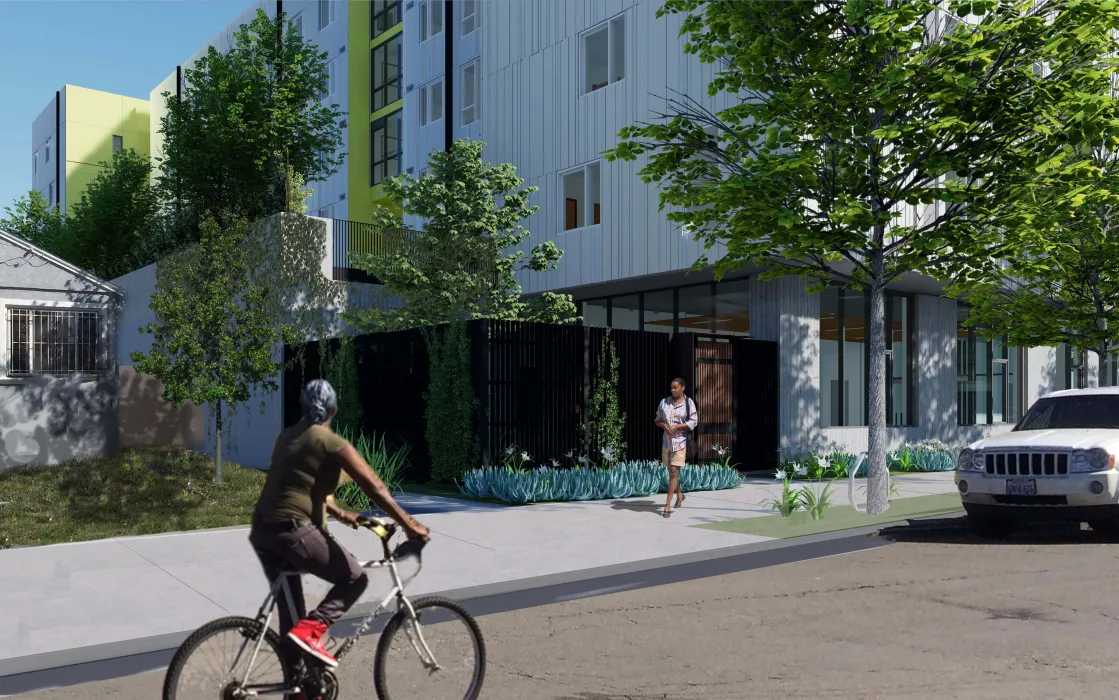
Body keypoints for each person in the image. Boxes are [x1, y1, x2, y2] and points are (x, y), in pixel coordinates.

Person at [249, 379, 429, 672]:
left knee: (292, 626)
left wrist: (341, 513)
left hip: (264, 532)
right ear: (332, 409)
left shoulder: (287, 437)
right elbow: (375, 487)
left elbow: (293, 485)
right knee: (354, 577)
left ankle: (300, 688)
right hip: (294, 529)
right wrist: (409, 525)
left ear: (303, 408)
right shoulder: (330, 441)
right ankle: (314, 630)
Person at [654, 377, 698, 518]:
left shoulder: (688, 403)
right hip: (667, 442)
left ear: (683, 388)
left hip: (681, 442)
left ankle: (667, 506)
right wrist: (664, 425)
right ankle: (679, 494)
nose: (673, 390)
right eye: (671, 388)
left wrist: (678, 426)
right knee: (672, 473)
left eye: (675, 388)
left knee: (673, 472)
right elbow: (657, 420)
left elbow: (693, 421)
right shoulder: (664, 402)